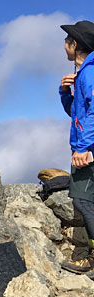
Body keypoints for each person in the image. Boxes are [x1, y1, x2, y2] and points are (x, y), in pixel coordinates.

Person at [58, 20, 94, 273]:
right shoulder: (84, 73)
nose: (64, 44)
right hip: (87, 145)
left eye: (67, 40)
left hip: (88, 149)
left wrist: (82, 148)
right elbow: (77, 113)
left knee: (83, 201)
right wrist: (63, 92)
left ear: (75, 44)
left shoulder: (90, 73)